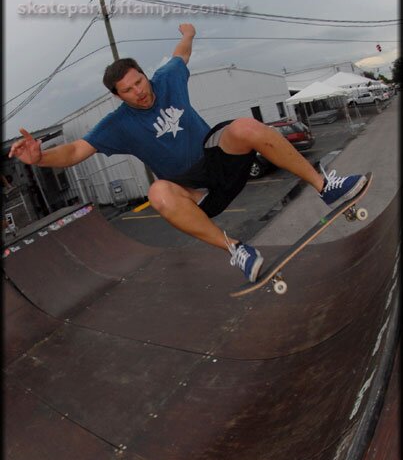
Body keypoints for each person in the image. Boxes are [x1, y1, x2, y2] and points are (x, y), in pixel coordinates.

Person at [9, 24, 367, 283]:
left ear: (145, 75)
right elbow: (75, 150)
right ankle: (237, 250)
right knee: (157, 193)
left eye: (139, 82)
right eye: (128, 91)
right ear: (117, 96)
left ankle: (325, 186)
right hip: (195, 193)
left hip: (219, 159)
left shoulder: (167, 78)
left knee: (245, 126)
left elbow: (182, 53)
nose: (139, 92)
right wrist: (40, 158)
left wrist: (189, 32)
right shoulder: (117, 125)